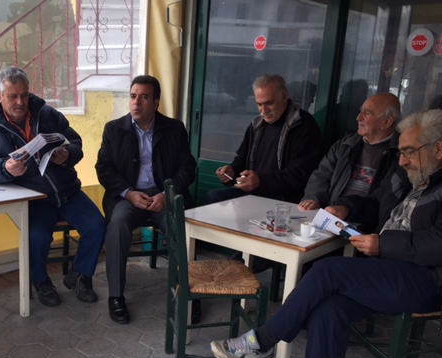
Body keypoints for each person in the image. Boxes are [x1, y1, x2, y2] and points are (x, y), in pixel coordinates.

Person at [209, 109, 442, 358]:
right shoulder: (412, 178)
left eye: (409, 152)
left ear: (438, 148)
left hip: (426, 281)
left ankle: (262, 342)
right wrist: (346, 208)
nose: (402, 161)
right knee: (328, 308)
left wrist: (383, 244)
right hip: (389, 269)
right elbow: (376, 204)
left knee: (327, 271)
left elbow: (437, 243)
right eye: (400, 152)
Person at [0, 66, 106, 307]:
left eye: (24, 95)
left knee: (97, 226)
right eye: (13, 96)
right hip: (34, 198)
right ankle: (41, 281)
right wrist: (5, 168)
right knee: (37, 237)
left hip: (67, 189)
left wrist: (67, 154)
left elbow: (75, 141)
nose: (20, 102)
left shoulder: (46, 113)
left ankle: (79, 275)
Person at [96, 75, 197, 324]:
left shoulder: (174, 129)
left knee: (179, 226)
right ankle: (116, 296)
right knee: (117, 225)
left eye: (144, 97)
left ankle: (187, 291)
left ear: (156, 102)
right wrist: (128, 193)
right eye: (133, 96)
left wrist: (166, 194)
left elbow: (187, 168)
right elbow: (104, 169)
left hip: (163, 195)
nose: (136, 102)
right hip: (129, 196)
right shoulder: (114, 129)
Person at [205, 74, 323, 205]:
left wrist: (260, 181)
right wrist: (232, 172)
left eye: (269, 103)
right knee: (213, 196)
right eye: (259, 104)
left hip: (283, 198)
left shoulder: (303, 125)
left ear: (284, 96)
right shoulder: (256, 125)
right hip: (252, 193)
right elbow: (241, 160)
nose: (263, 110)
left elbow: (300, 173)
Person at [299, 93, 401, 211]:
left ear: (386, 122)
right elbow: (321, 175)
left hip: (366, 219)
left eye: (367, 113)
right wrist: (314, 198)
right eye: (361, 111)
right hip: (331, 214)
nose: (358, 118)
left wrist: (349, 210)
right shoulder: (345, 145)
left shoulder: (401, 154)